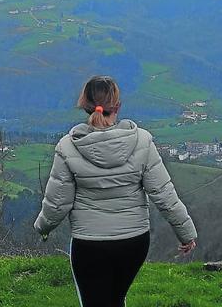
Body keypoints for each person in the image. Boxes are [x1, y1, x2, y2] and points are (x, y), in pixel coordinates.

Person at [35, 75, 197, 307]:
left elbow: (57, 203)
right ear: (118, 106)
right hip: (134, 242)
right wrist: (186, 233)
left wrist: (43, 227)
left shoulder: (68, 147)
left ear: (84, 106)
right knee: (116, 299)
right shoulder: (142, 141)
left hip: (89, 243)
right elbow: (164, 194)